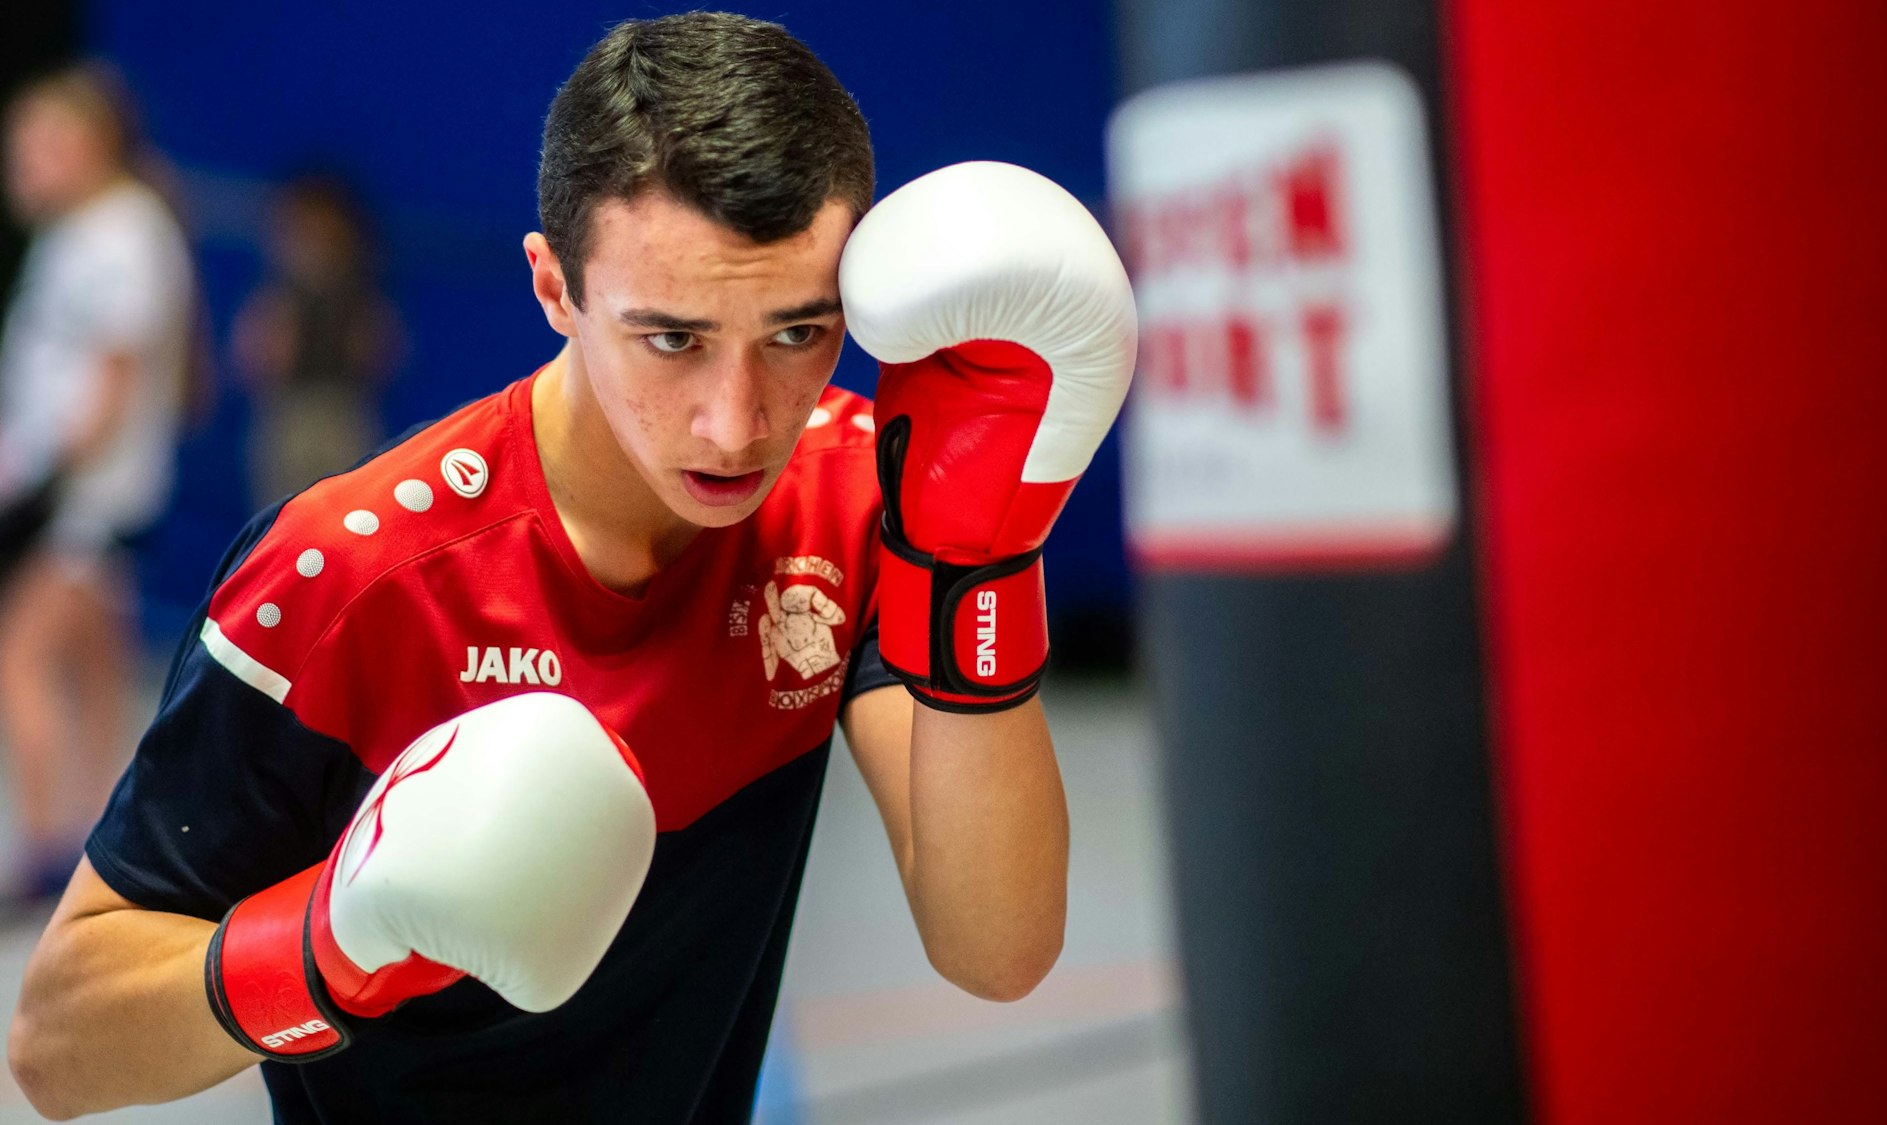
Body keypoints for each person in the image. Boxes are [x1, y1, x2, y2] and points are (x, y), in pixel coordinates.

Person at [6, 13, 1135, 1124]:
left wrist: (978, 561)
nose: (736, 423)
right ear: (555, 290)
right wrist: (324, 950)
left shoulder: (845, 501)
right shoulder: (347, 573)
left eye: (797, 333)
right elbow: (56, 1053)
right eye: (673, 339)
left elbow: (995, 950)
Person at [0, 64, 194, 906]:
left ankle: (48, 850)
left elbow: (111, 387)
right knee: (97, 667)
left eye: (40, 145)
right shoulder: (74, 230)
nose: (23, 164)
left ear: (90, 146)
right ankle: (108, 842)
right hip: (76, 495)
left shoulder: (122, 235)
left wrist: (36, 485)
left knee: (23, 659)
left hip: (86, 503)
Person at [230, 174, 401, 509]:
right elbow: (249, 357)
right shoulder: (277, 297)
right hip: (289, 412)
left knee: (349, 506)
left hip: (341, 409)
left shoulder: (358, 294)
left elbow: (385, 350)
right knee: (282, 509)